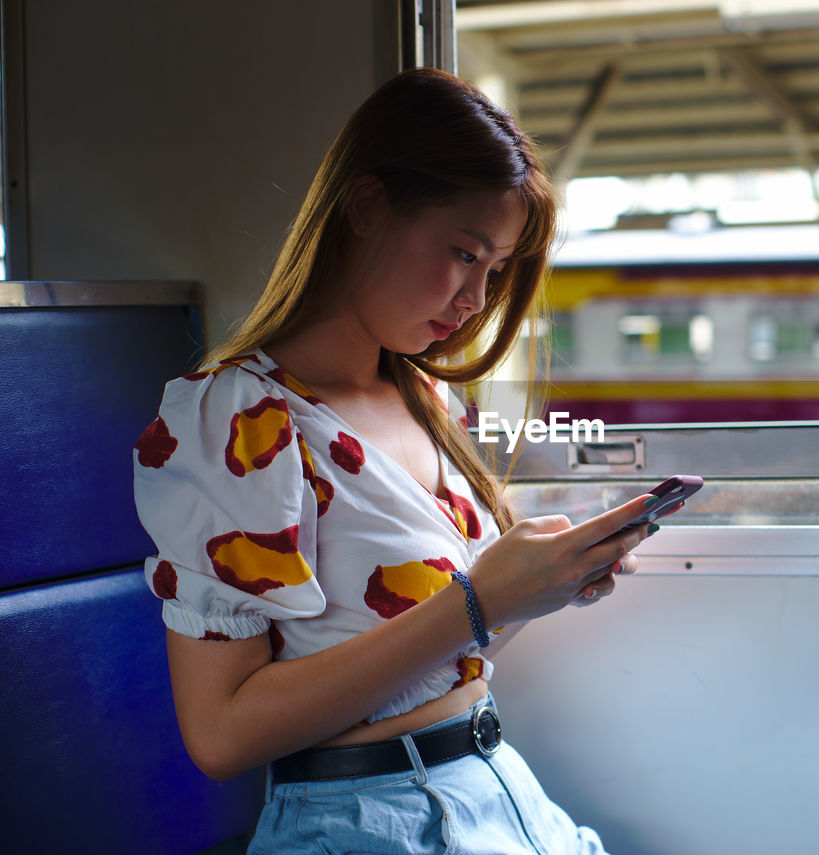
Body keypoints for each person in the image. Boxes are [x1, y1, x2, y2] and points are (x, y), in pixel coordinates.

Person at [132, 67, 658, 854]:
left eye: (496, 271)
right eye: (462, 253)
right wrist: (480, 601)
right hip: (363, 820)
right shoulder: (242, 419)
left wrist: (534, 589)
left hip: (498, 791)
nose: (477, 298)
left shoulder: (424, 400)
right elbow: (220, 732)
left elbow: (435, 657)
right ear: (367, 208)